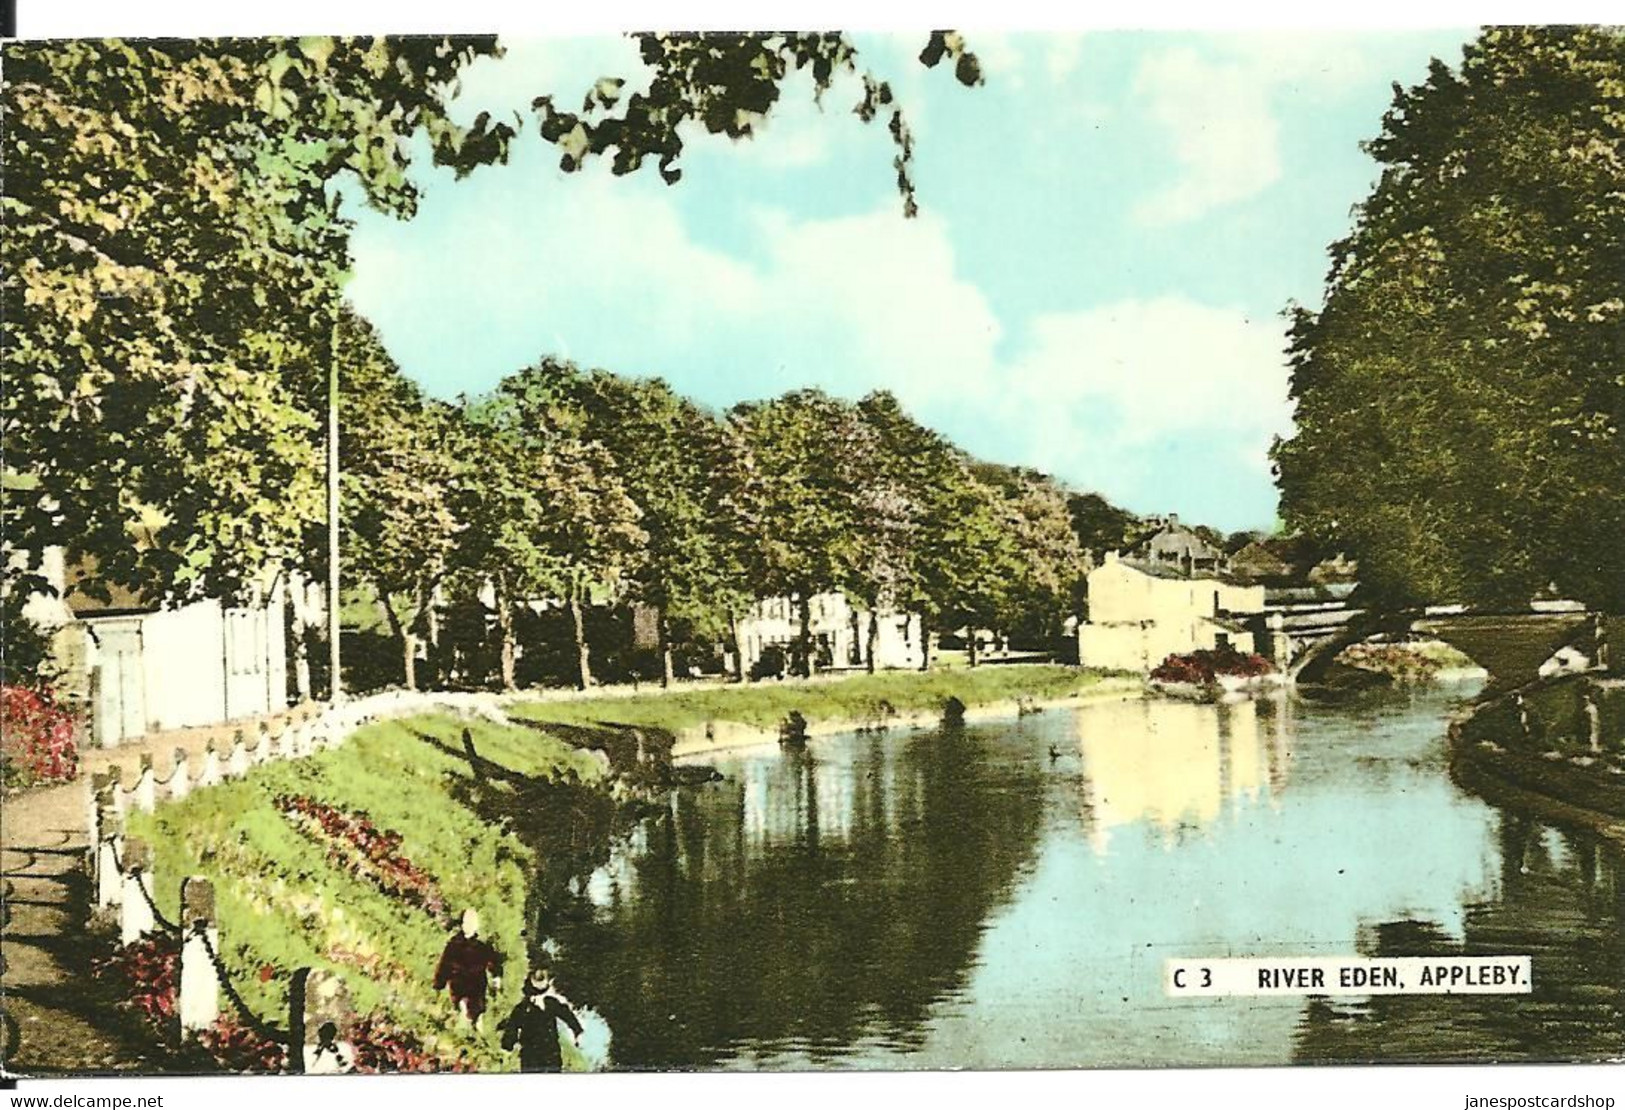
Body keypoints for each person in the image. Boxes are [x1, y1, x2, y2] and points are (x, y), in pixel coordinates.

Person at [500, 966, 585, 1073]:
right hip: (532, 1054)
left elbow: (567, 1015)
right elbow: (511, 1028)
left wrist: (577, 1031)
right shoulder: (523, 1008)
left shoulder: (550, 1003)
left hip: (550, 1052)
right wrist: (507, 1045)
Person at [433, 908, 504, 1030]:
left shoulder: (456, 944)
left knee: (473, 1000)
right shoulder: (475, 946)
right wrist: (496, 976)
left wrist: (439, 983)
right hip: (470, 979)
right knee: (474, 1001)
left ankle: (470, 1015)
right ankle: (470, 1017)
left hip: (467, 979)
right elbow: (445, 963)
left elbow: (445, 964)